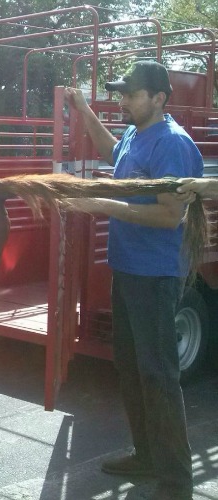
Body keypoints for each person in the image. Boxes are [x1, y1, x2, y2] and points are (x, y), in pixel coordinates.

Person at [63, 60, 202, 500]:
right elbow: (112, 151)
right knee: (131, 368)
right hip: (127, 270)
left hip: (155, 276)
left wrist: (104, 204)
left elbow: (169, 214)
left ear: (158, 98)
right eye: (121, 93)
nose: (122, 100)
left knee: (159, 376)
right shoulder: (134, 134)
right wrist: (84, 110)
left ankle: (176, 482)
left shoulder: (171, 143)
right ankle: (147, 456)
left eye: (130, 94)